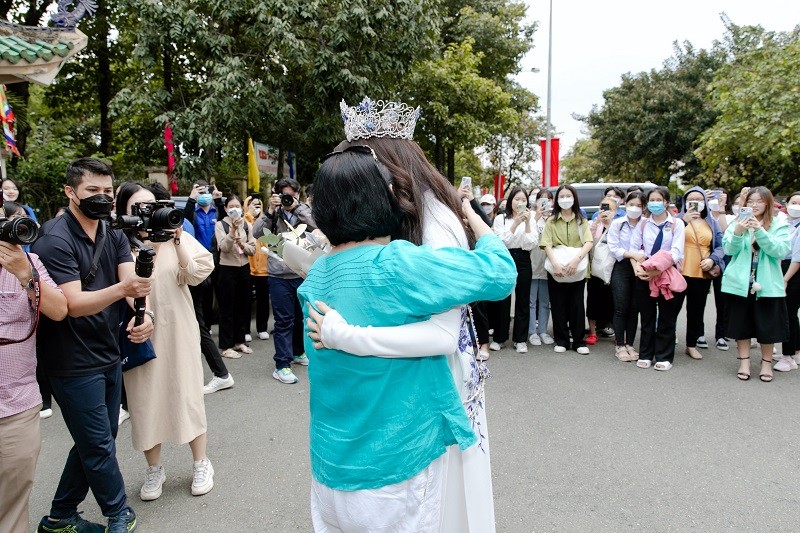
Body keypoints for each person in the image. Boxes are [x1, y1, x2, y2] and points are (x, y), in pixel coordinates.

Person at [299, 147, 516, 533]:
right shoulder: (397, 265)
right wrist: (471, 215)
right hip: (394, 469)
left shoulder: (315, 278)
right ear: (381, 198)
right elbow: (500, 273)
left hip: (331, 469)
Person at [32, 157, 153, 533]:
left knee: (96, 440)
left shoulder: (113, 232)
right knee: (98, 444)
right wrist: (123, 291)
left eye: (107, 192)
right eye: (92, 191)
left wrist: (145, 314)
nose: (101, 199)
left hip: (107, 351)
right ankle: (119, 514)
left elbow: (130, 282)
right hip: (69, 360)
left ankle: (60, 515)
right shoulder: (54, 238)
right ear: (70, 192)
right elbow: (72, 305)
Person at [115, 182, 215, 501]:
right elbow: (125, 288)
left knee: (185, 391)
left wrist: (176, 240)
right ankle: (154, 469)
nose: (147, 213)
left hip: (178, 327)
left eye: (151, 205)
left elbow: (197, 273)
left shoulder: (177, 235)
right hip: (141, 330)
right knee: (145, 398)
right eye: (138, 208)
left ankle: (201, 462)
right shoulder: (120, 245)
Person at [0, 237, 68, 533]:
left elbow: (59, 309)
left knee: (11, 508)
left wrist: (26, 274)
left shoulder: (26, 261)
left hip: (15, 406)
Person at [722, 187, 790, 382]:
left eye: (759, 201)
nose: (754, 205)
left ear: (768, 203)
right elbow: (729, 249)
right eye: (751, 201)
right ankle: (744, 362)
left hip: (767, 284)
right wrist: (738, 231)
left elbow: (780, 250)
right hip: (739, 284)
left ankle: (766, 364)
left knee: (767, 327)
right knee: (741, 326)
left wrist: (759, 231)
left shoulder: (778, 225)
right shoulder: (737, 223)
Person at [264, 178, 316, 384]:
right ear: (277, 195)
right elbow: (259, 234)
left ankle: (297, 352)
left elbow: (315, 226)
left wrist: (297, 208)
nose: (288, 198)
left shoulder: (302, 211)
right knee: (284, 320)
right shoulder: (272, 213)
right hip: (278, 274)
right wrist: (269, 211)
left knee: (299, 317)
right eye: (284, 194)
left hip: (300, 271)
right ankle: (282, 365)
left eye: (292, 195)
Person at [629, 186, 686, 371]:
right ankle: (645, 353)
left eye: (658, 200)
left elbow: (676, 252)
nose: (654, 203)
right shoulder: (643, 224)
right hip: (644, 274)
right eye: (651, 200)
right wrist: (638, 269)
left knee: (666, 317)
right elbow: (635, 248)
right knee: (647, 317)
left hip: (666, 275)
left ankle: (664, 356)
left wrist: (656, 271)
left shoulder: (677, 224)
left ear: (666, 202)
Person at [540, 184, 593, 354]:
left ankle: (578, 341)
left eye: (568, 196)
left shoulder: (581, 220)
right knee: (558, 304)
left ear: (574, 198)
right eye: (561, 196)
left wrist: (576, 261)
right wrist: (555, 263)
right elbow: (546, 243)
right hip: (557, 267)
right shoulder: (551, 221)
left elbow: (588, 242)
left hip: (577, 268)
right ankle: (561, 340)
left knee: (577, 304)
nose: (565, 199)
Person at [674, 187, 725, 360]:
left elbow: (720, 245)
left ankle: (691, 345)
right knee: (671, 309)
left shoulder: (711, 222)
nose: (695, 202)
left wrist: (712, 259)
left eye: (699, 198)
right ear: (685, 202)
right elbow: (666, 240)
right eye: (690, 199)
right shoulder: (676, 220)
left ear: (705, 202)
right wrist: (684, 220)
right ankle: (666, 340)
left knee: (696, 311)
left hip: (701, 272)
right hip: (679, 271)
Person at [492, 186, 539, 353]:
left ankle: (520, 339)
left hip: (524, 259)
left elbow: (531, 243)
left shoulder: (531, 218)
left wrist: (526, 223)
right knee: (503, 299)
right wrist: (516, 222)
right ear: (510, 200)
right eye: (517, 199)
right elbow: (500, 242)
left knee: (523, 300)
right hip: (505, 258)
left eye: (523, 200)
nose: (520, 202)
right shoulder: (501, 218)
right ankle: (500, 337)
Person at [215, 194, 257, 358]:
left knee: (242, 306)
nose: (234, 209)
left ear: (242, 208)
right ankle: (226, 346)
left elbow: (253, 249)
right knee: (227, 307)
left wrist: (243, 244)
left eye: (237, 206)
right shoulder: (220, 225)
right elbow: (223, 248)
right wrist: (232, 232)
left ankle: (240, 342)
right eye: (231, 206)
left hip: (244, 268)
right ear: (225, 209)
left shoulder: (247, 225)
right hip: (227, 269)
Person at [607, 191, 646, 362]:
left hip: (641, 267)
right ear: (625, 205)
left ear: (644, 207)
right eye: (632, 204)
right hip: (622, 267)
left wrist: (639, 257)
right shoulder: (618, 223)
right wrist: (632, 255)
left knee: (635, 307)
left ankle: (630, 344)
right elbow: (614, 248)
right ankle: (620, 344)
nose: (635, 208)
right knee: (621, 307)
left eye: (639, 205)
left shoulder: (647, 224)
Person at [183, 179, 223, 327]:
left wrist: (218, 200)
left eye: (205, 191)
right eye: (200, 192)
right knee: (204, 293)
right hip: (199, 257)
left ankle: (220, 323)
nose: (203, 195)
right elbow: (184, 221)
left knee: (219, 292)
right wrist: (191, 198)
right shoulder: (193, 212)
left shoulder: (216, 210)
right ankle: (206, 325)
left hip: (217, 256)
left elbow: (226, 221)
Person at [585, 196, 618, 345]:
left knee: (615, 302)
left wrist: (610, 223)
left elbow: (618, 242)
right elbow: (588, 239)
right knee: (593, 301)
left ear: (616, 211)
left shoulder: (618, 225)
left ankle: (617, 332)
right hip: (595, 269)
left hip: (613, 270)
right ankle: (592, 333)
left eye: (609, 209)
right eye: (603, 208)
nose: (605, 211)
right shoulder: (593, 223)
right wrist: (598, 221)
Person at [775, 191, 800, 372]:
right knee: (788, 314)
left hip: (793, 272)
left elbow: (797, 259)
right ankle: (795, 350)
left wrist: (785, 279)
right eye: (793, 202)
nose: (795, 206)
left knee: (788, 314)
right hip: (783, 268)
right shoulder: (786, 223)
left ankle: (788, 356)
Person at [529, 189, 555, 345]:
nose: (545, 202)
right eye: (542, 199)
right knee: (531, 301)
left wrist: (547, 218)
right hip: (532, 264)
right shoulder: (532, 216)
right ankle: (532, 332)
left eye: (549, 199)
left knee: (545, 302)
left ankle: (543, 331)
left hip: (547, 266)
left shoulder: (553, 219)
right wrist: (538, 215)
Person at [244, 196, 270, 341]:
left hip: (264, 267)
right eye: (253, 205)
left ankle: (262, 328)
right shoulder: (243, 221)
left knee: (263, 300)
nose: (256, 207)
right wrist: (248, 215)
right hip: (248, 266)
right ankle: (246, 330)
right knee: (246, 300)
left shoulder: (265, 222)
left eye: (259, 205)